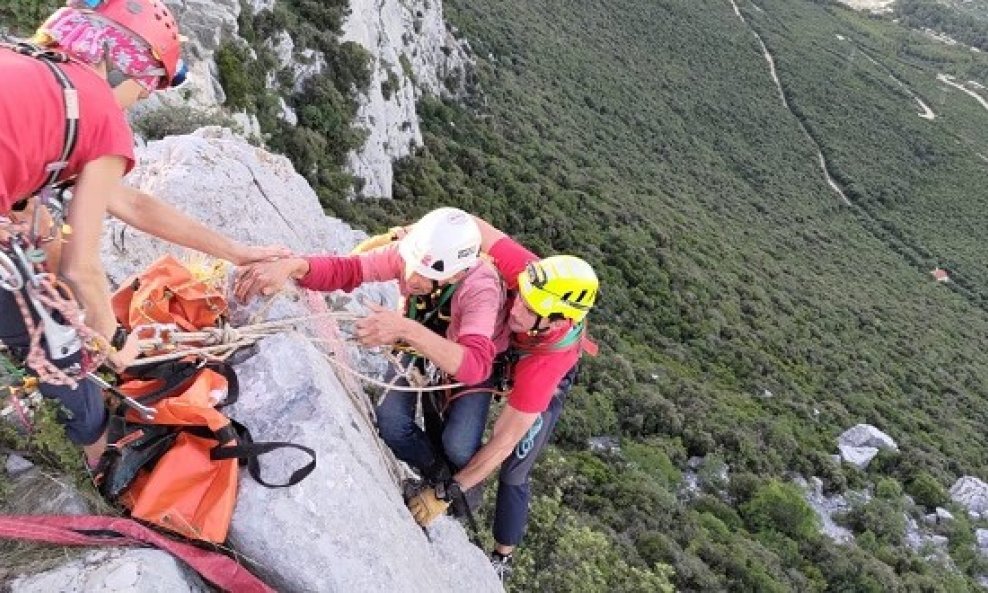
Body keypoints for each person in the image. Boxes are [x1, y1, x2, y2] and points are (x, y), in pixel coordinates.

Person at [0, 0, 287, 469]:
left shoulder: (31, 66)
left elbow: (129, 202)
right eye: (149, 83)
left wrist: (236, 251)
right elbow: (80, 268)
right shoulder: (98, 109)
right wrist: (115, 349)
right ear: (120, 63)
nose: (145, 98)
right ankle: (98, 463)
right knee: (60, 346)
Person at [233, 206, 509, 487]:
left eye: (425, 275)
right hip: (416, 333)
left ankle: (464, 485)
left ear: (454, 276)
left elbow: (475, 365)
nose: (412, 279)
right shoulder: (409, 255)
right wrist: (295, 265)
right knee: (392, 423)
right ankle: (439, 478)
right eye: (412, 265)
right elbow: (349, 270)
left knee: (459, 447)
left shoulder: (480, 286)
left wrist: (405, 329)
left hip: (462, 353)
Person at [404, 217, 599, 582]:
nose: (516, 309)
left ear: (556, 321)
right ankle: (449, 467)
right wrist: (418, 237)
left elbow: (503, 441)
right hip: (495, 348)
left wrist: (445, 494)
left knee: (515, 470)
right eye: (520, 297)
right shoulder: (531, 274)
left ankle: (502, 556)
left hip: (531, 371)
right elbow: (470, 226)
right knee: (452, 426)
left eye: (529, 309)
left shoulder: (546, 363)